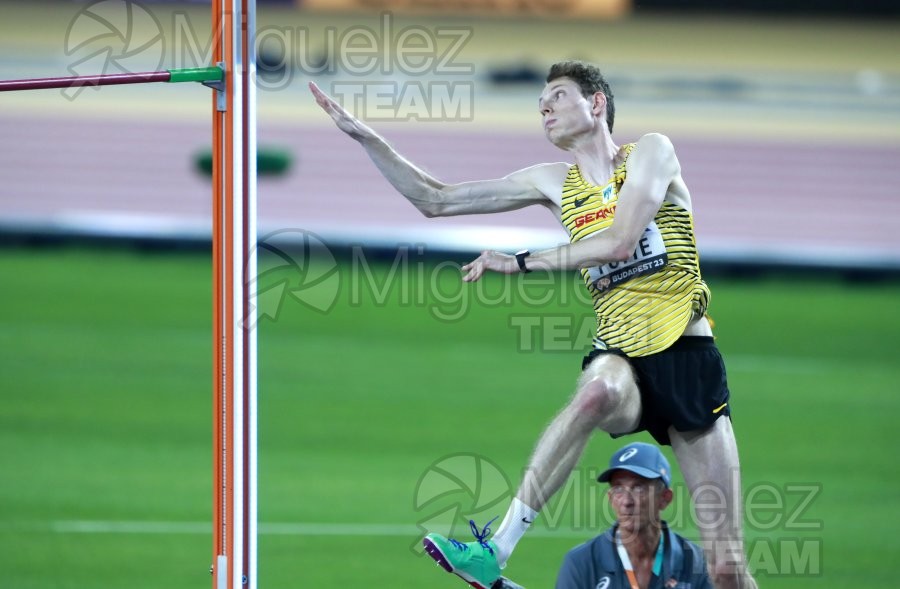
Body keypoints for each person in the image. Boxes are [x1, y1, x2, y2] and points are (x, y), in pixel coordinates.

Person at [310, 60, 757, 589]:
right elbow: (435, 198)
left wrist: (521, 261)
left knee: (727, 569)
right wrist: (366, 138)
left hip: (687, 357)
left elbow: (619, 240)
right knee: (594, 393)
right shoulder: (551, 182)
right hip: (622, 355)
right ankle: (494, 550)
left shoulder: (651, 152)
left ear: (596, 104)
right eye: (540, 102)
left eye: (558, 96)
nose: (544, 108)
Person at [556, 442, 712, 589]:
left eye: (639, 488)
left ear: (664, 498)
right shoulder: (581, 563)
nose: (626, 501)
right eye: (618, 488)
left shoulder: (698, 563)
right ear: (610, 499)